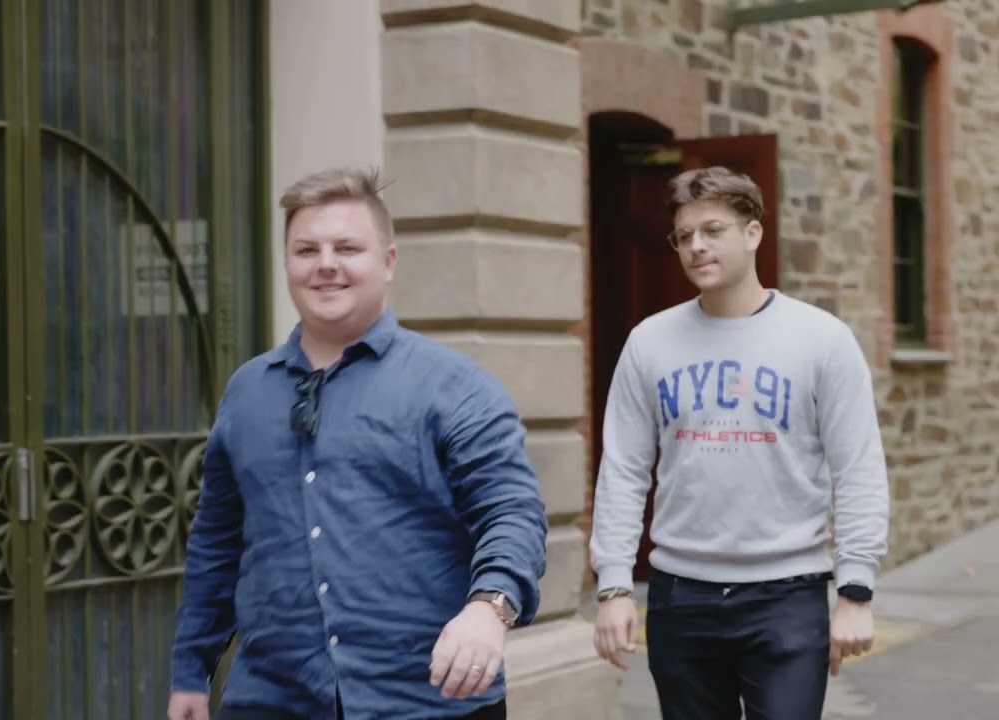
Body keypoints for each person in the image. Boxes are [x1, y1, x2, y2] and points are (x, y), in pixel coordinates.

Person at [166, 166, 549, 720]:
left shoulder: (455, 386)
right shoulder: (247, 391)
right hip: (274, 700)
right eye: (306, 250)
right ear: (287, 263)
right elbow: (217, 543)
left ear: (388, 262)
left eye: (347, 247)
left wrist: (489, 609)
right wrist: (190, 671)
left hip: (429, 701)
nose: (326, 264)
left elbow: (512, 513)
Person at [589, 166, 890, 719]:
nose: (696, 247)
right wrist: (612, 587)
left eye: (713, 230)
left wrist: (856, 590)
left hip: (786, 594)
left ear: (753, 232)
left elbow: (859, 470)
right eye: (684, 236)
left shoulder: (821, 339)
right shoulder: (648, 342)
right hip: (681, 596)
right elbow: (624, 469)